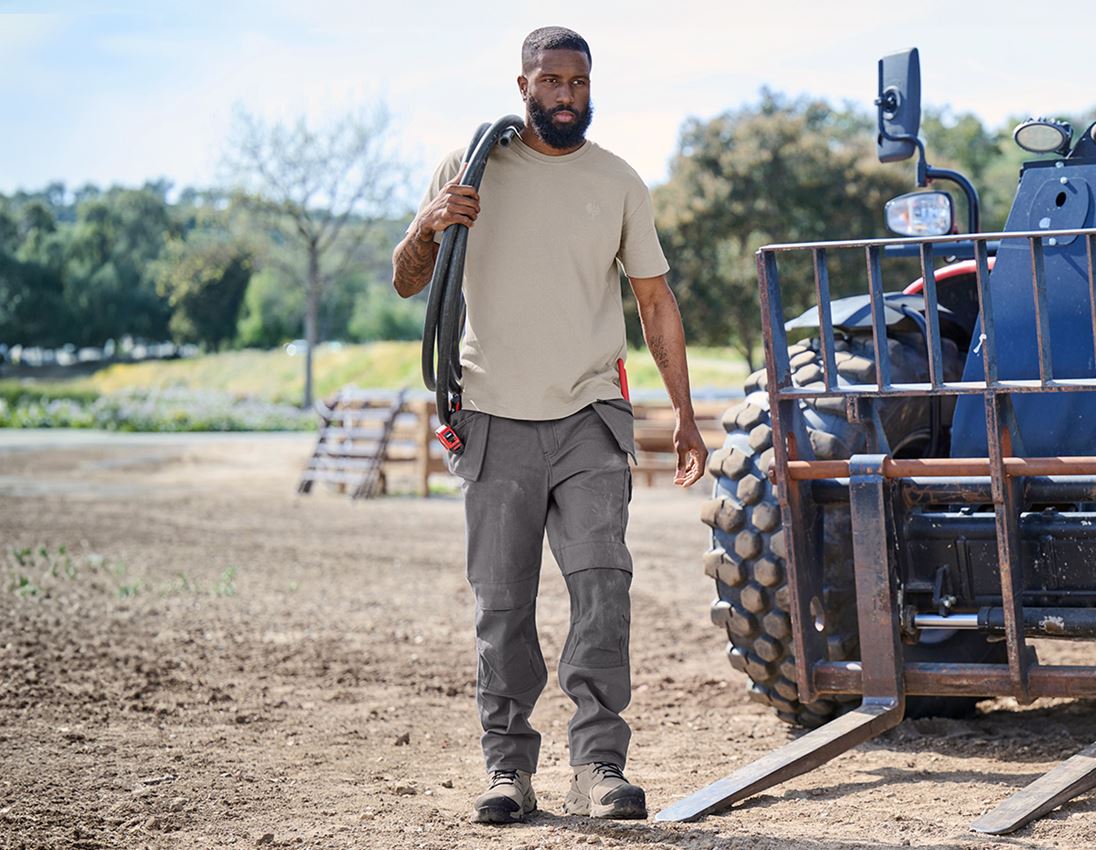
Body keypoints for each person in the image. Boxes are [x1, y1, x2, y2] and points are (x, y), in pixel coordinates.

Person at [391, 25, 706, 824]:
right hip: (493, 415)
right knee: (503, 606)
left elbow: (656, 304)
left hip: (590, 415)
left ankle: (599, 764)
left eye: (579, 82)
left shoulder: (619, 181)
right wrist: (428, 223)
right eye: (552, 81)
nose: (568, 95)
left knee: (604, 589)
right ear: (523, 85)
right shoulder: (470, 172)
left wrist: (689, 419)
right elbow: (406, 284)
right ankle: (508, 770)